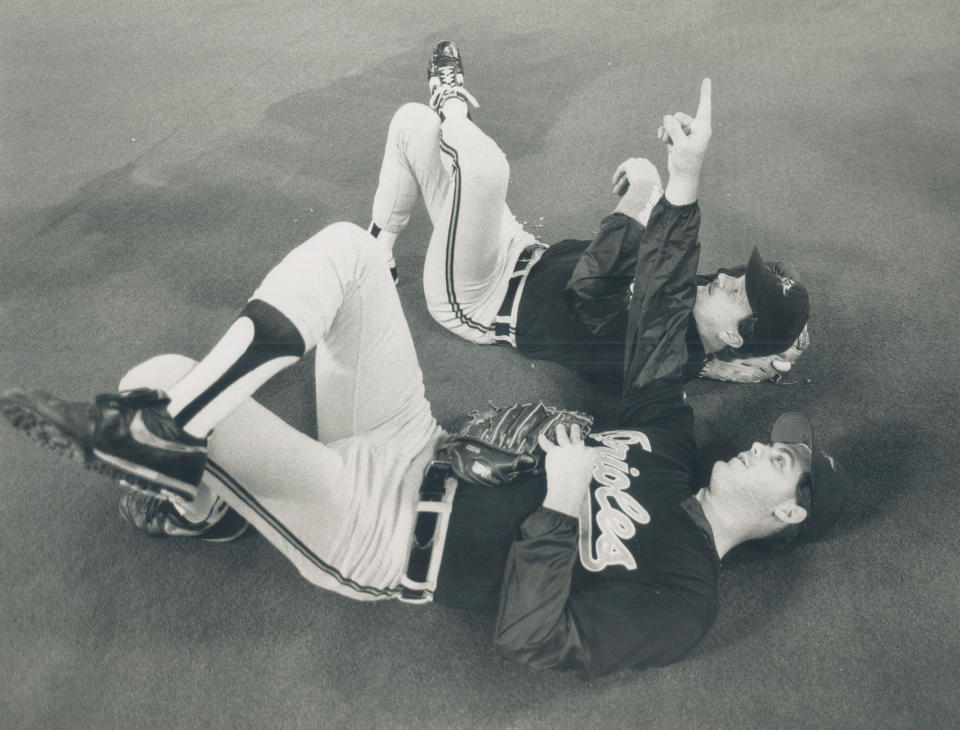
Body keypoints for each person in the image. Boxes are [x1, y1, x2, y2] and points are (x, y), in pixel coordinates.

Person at [0, 66, 849, 679]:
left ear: (785, 513)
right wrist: (685, 184)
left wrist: (560, 500)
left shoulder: (685, 599)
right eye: (781, 444)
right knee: (349, 253)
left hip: (381, 531)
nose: (767, 450)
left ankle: (193, 496)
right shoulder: (671, 442)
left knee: (158, 371)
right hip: (415, 434)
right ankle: (180, 451)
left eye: (785, 461)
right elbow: (660, 316)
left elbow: (532, 638)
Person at [367, 42, 810, 388]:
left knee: (485, 169)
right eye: (742, 276)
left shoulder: (659, 353)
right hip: (516, 246)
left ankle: (449, 97)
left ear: (734, 335)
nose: (729, 278)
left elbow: (592, 289)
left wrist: (644, 193)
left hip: (481, 295)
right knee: (411, 123)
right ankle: (378, 253)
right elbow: (667, 243)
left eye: (740, 293)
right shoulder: (704, 307)